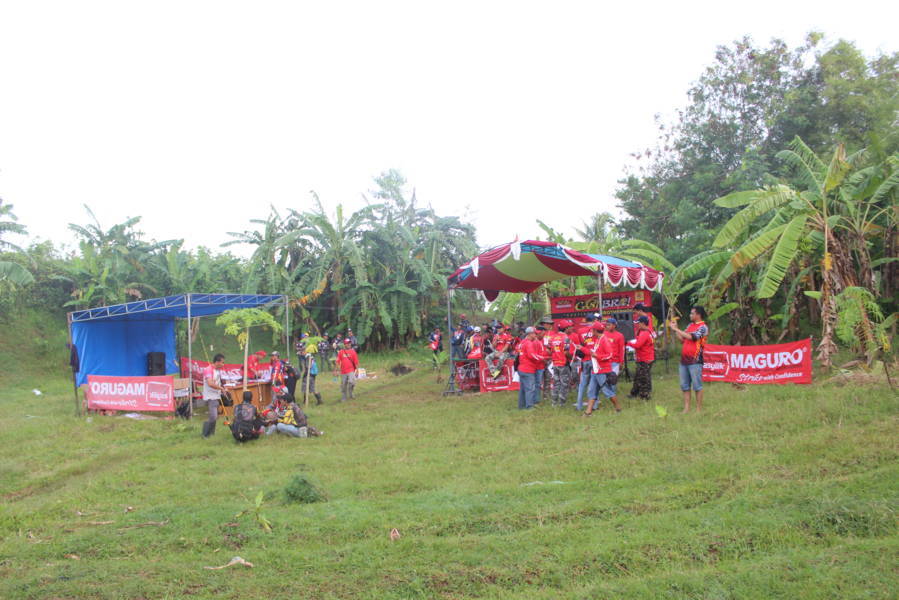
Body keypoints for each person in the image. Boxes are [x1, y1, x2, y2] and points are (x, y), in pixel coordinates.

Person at [669, 306, 709, 413]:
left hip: (695, 361)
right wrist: (675, 329)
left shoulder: (703, 327)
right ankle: (686, 408)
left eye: (692, 313)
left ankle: (698, 409)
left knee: (697, 386)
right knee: (684, 386)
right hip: (684, 361)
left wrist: (676, 329)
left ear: (698, 315)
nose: (690, 315)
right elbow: (682, 339)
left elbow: (692, 337)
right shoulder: (690, 325)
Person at [579, 322, 621, 415]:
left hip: (602, 371)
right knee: (591, 391)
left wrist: (597, 356)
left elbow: (609, 355)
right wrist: (582, 348)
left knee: (607, 391)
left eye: (592, 330)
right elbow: (592, 353)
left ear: (595, 331)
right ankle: (588, 412)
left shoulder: (604, 340)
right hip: (596, 370)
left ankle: (618, 409)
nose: (591, 332)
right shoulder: (598, 339)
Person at [546, 320, 574, 407]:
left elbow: (548, 350)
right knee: (564, 384)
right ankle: (562, 404)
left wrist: (555, 354)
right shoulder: (566, 338)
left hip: (555, 363)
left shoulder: (552, 337)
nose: (570, 329)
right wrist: (572, 358)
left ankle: (554, 403)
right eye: (569, 327)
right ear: (566, 328)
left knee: (556, 383)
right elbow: (566, 352)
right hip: (563, 364)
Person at [627, 315, 655, 400]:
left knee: (643, 378)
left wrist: (628, 342)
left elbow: (637, 345)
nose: (637, 325)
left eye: (638, 323)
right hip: (646, 358)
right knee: (639, 376)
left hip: (644, 359)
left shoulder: (645, 333)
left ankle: (644, 395)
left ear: (643, 323)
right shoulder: (647, 331)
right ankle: (634, 393)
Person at [574, 315, 598, 411]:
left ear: (585, 320)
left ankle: (579, 406)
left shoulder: (580, 331)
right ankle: (594, 406)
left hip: (585, 360)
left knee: (582, 384)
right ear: (594, 320)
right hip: (594, 359)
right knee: (594, 383)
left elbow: (579, 345)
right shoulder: (596, 329)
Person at [516, 327, 543, 410]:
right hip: (528, 369)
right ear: (530, 334)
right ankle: (529, 406)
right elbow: (531, 355)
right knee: (530, 388)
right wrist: (542, 358)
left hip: (521, 368)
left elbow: (517, 350)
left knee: (523, 389)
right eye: (535, 333)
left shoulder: (522, 342)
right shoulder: (529, 343)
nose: (536, 335)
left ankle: (521, 406)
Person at [201, 354, 226, 438]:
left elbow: (217, 382)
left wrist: (223, 388)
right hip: (210, 396)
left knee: (214, 416)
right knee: (213, 416)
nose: (223, 364)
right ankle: (205, 434)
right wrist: (221, 388)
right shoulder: (208, 370)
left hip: (216, 395)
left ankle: (211, 433)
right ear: (217, 362)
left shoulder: (217, 370)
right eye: (222, 362)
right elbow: (210, 383)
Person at [604, 317, 626, 406]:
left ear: (614, 325)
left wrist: (621, 362)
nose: (607, 326)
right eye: (607, 325)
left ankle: (614, 399)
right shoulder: (604, 334)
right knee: (604, 381)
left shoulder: (619, 335)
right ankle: (609, 397)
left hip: (615, 362)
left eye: (609, 325)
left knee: (612, 381)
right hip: (605, 362)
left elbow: (622, 350)